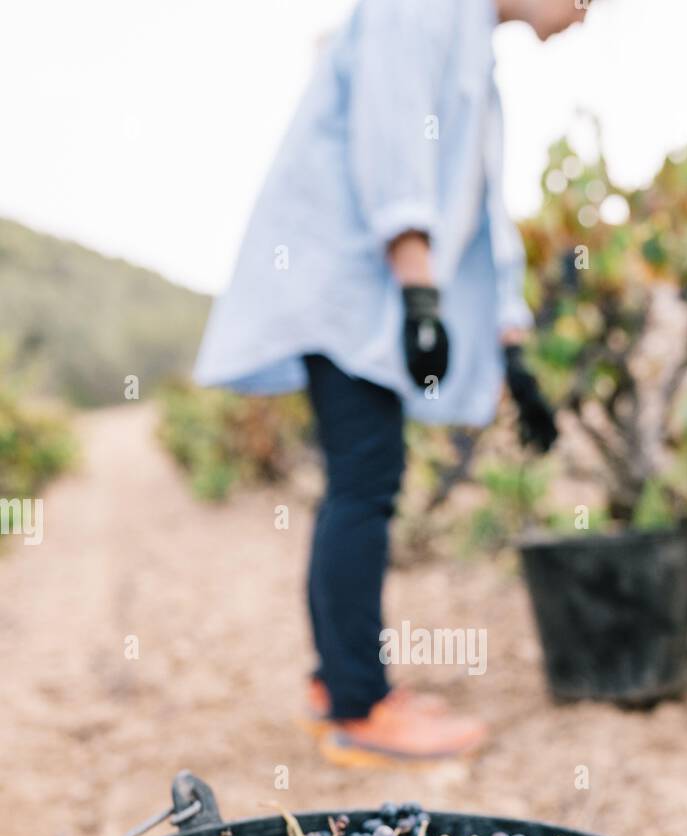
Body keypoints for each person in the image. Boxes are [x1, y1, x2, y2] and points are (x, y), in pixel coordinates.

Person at [195, 0, 593, 762]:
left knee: (361, 477)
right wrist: (418, 293)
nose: (584, 15)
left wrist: (508, 340)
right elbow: (391, 132)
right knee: (365, 480)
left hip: (367, 294)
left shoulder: (472, 42)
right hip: (348, 290)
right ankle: (357, 707)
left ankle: (339, 686)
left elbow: (477, 206)